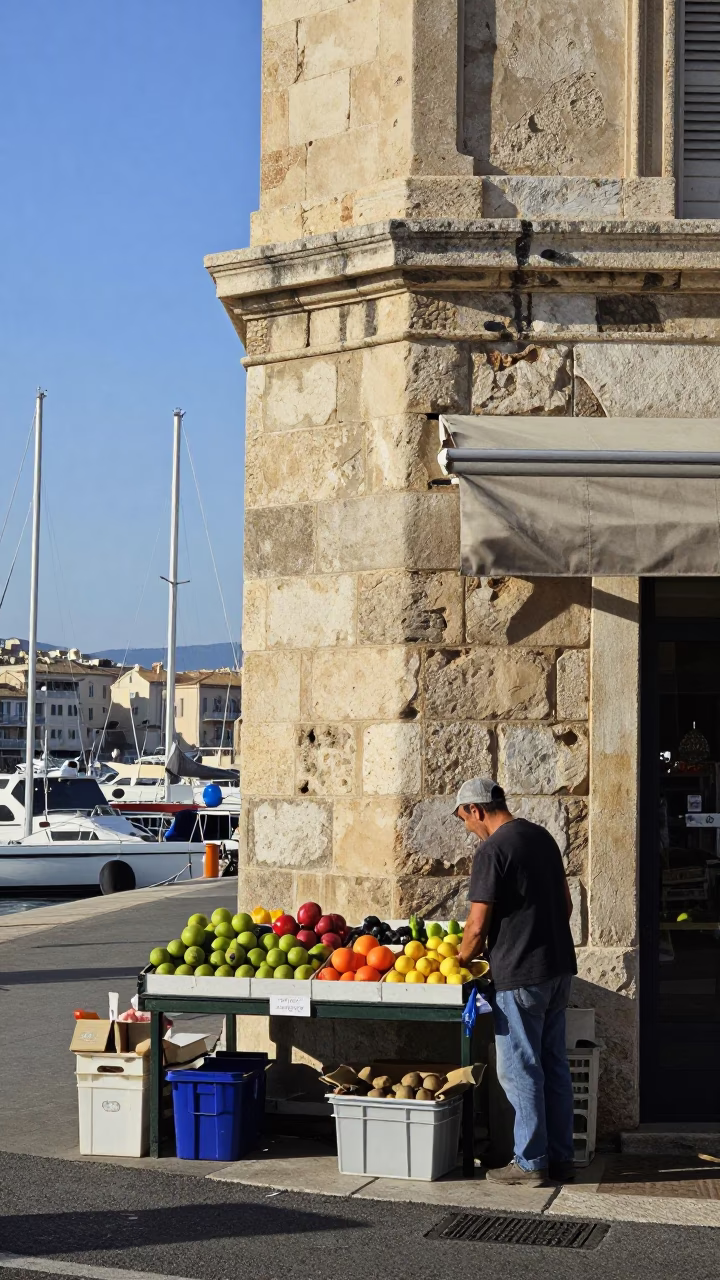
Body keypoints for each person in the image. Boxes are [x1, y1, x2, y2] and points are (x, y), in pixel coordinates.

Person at [454, 777, 577, 1186]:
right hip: (558, 969)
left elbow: (475, 926)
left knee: (520, 1070)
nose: (467, 828)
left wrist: (458, 960)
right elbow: (567, 903)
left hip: (520, 975)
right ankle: (561, 1158)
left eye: (463, 819)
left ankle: (530, 1162)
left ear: (476, 809)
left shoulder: (492, 850)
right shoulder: (540, 837)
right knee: (554, 1066)